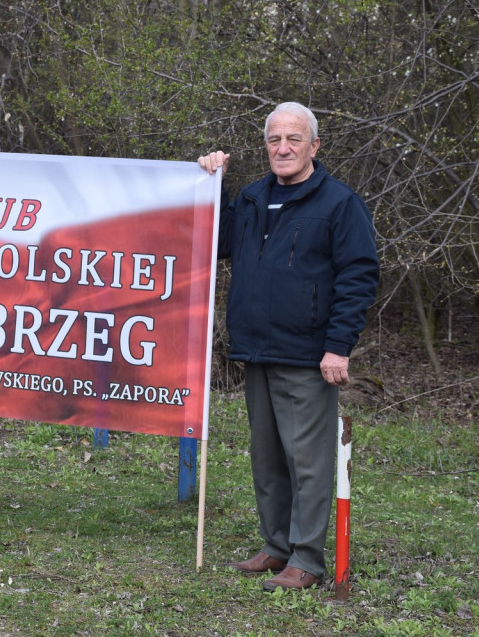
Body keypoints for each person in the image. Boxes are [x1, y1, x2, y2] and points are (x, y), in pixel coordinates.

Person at [198, 102, 378, 590]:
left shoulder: (339, 204)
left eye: (293, 139)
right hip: (255, 350)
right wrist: (213, 183)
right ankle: (277, 547)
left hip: (307, 355)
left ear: (314, 146)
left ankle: (307, 558)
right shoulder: (254, 198)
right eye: (274, 139)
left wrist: (338, 346)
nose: (282, 148)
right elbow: (216, 242)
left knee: (308, 461)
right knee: (268, 458)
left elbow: (358, 277)